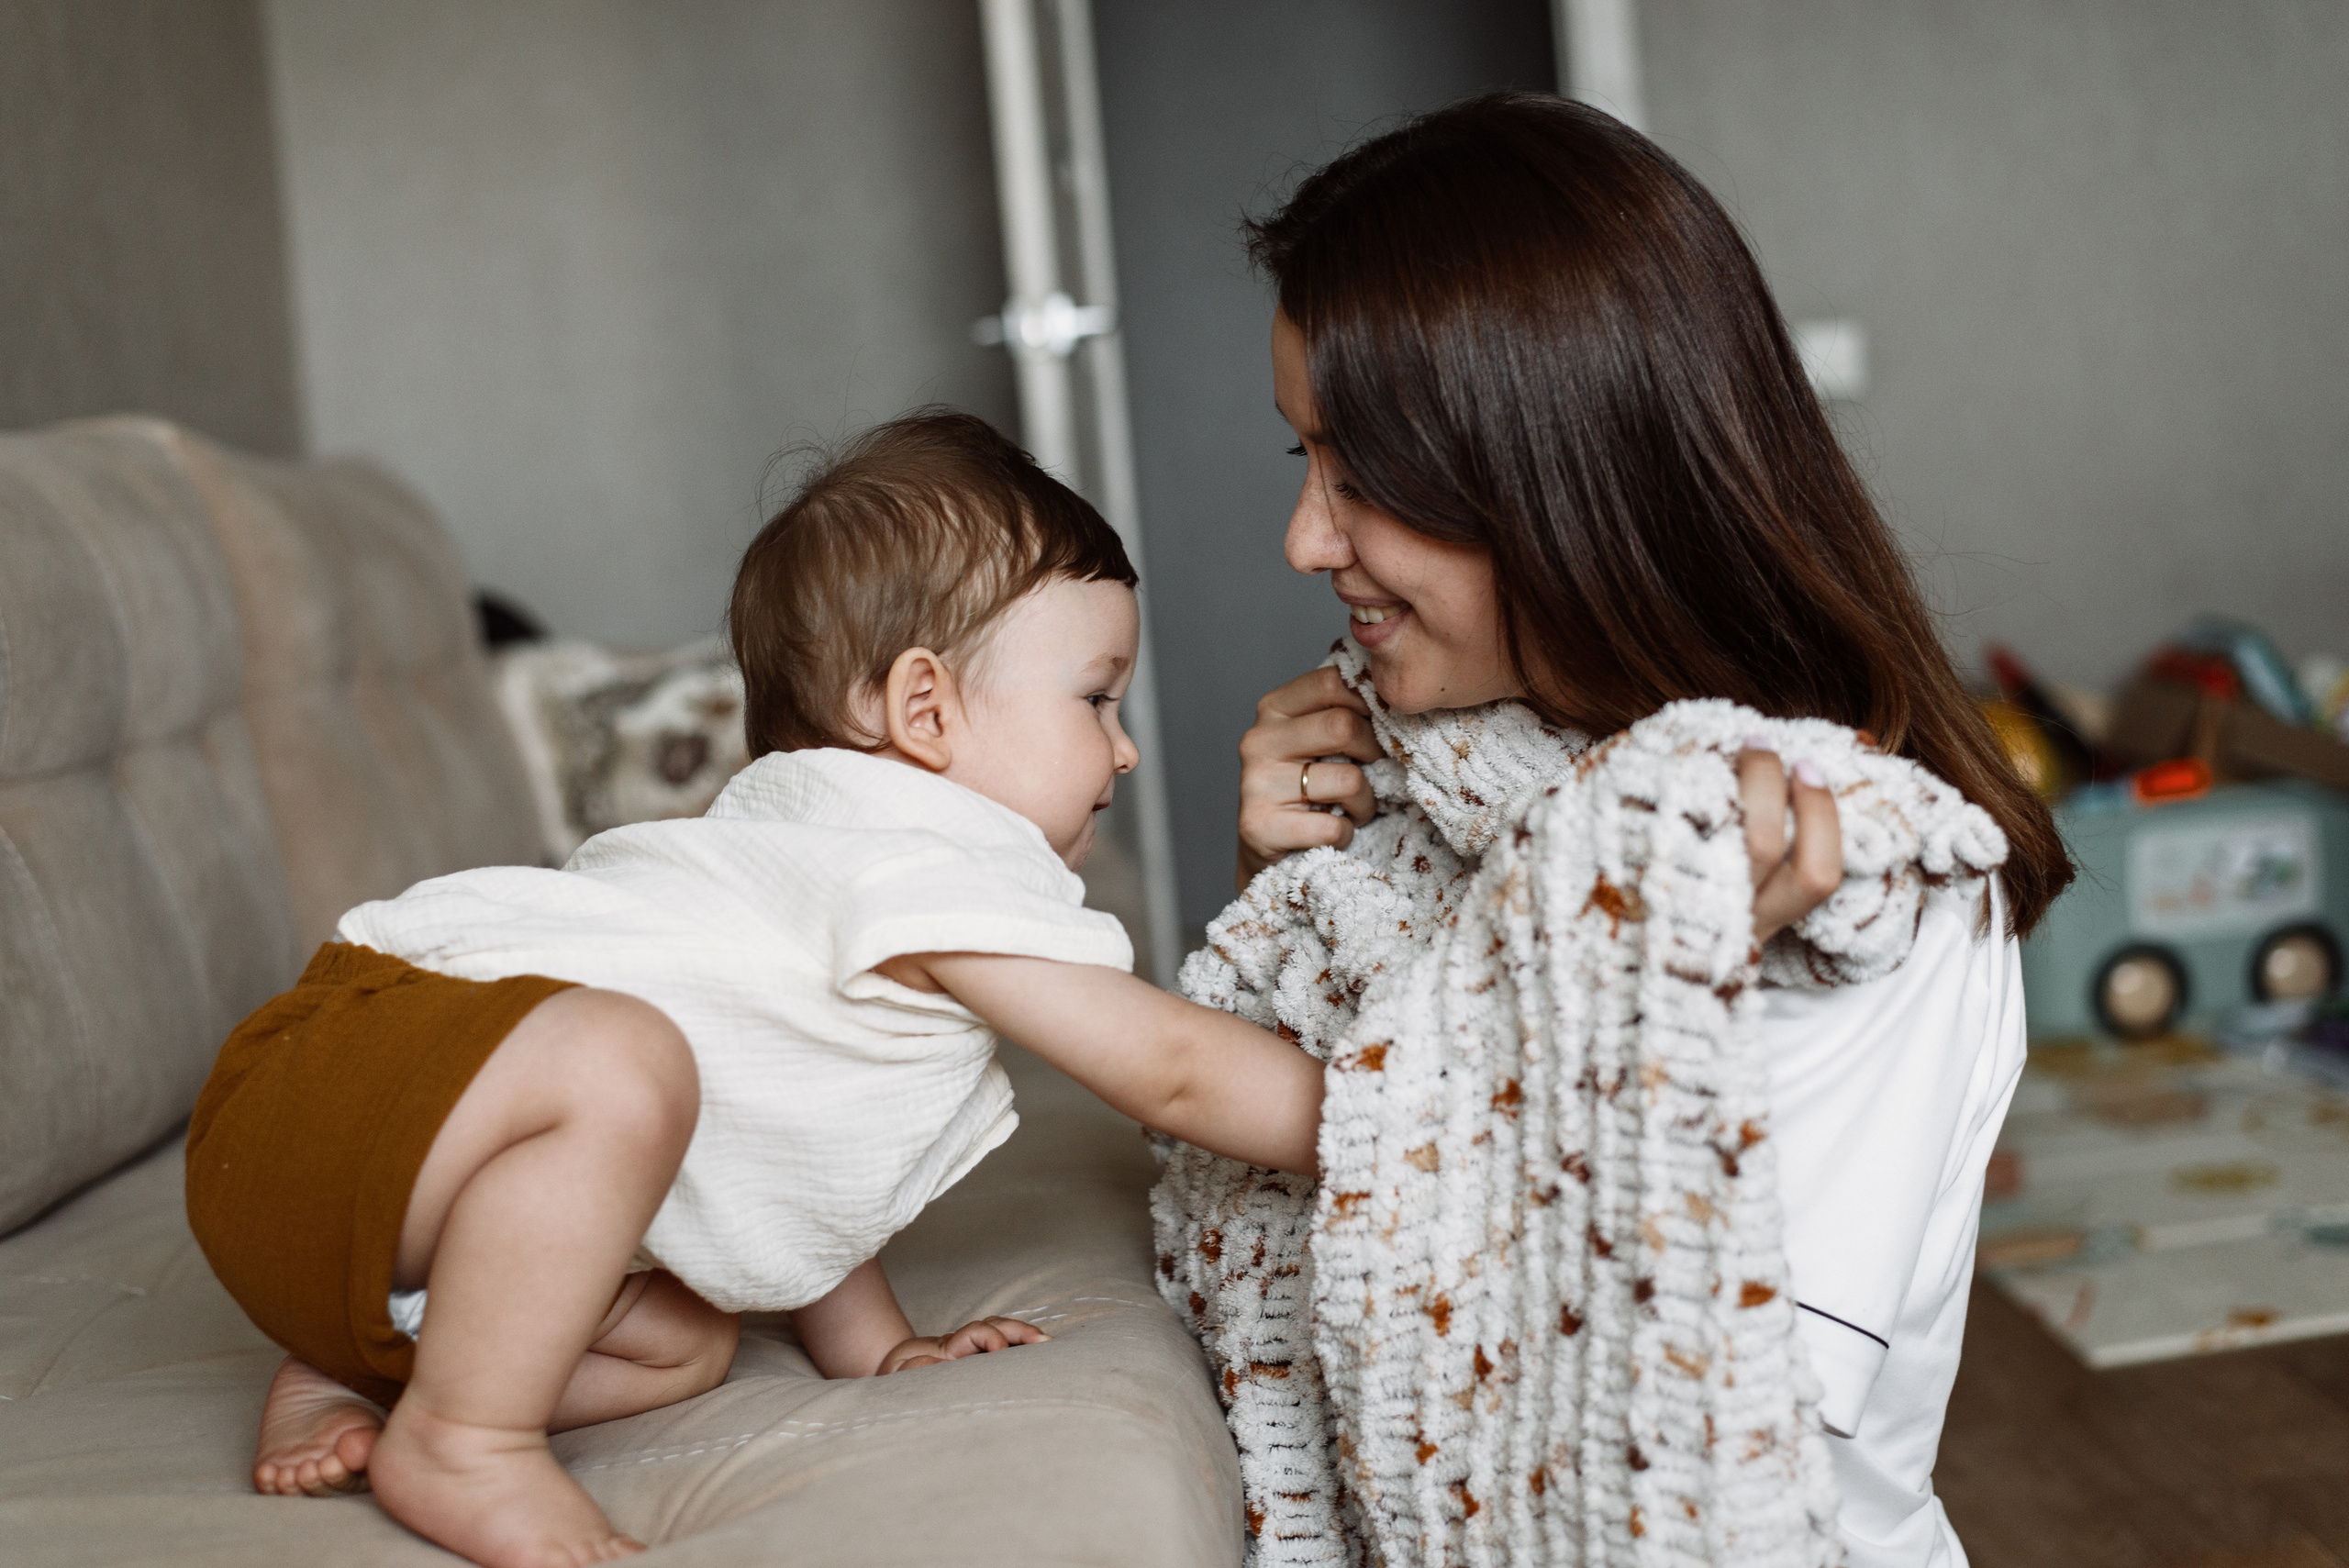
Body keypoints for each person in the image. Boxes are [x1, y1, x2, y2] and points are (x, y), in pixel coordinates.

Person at [184, 411, 1325, 1568]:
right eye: (1095, 699)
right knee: (618, 1059)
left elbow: (796, 1122)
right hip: (347, 1067)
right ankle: (467, 1437)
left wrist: (877, 1349)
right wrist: (1387, 1110)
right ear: (924, 710)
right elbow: (1175, 1067)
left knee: (682, 1340)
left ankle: (358, 1363)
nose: (1122, 750)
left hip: (335, 1185)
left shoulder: (806, 843)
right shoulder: (920, 856)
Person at [1225, 94, 2069, 1568]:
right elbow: (1336, 1210)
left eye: (1361, 477)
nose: (1306, 538)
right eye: (1302, 463)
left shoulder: (1846, 876)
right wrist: (1291, 899)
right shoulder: (1448, 781)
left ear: (1556, 467)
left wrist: (1623, 992)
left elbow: (1693, 1431)